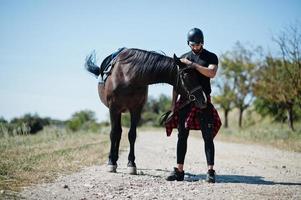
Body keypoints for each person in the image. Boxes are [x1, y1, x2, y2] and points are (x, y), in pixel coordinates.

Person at [166, 28, 220, 183]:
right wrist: (172, 105)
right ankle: (179, 170)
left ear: (203, 42)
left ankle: (210, 171)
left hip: (203, 100)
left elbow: (212, 73)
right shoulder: (183, 58)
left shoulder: (210, 56)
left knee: (207, 136)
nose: (196, 47)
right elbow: (176, 84)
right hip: (185, 101)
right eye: (193, 44)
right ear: (188, 43)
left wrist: (193, 65)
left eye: (198, 44)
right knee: (182, 135)